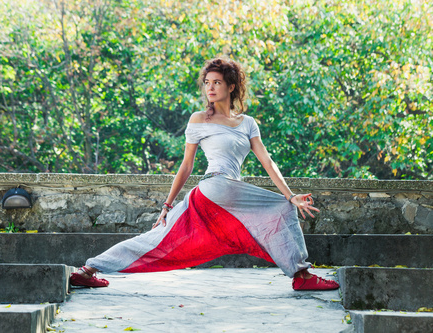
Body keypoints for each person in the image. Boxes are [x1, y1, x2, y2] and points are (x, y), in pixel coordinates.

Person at [70, 58, 339, 291]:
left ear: (231, 86)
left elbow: (267, 161)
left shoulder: (247, 123)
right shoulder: (199, 119)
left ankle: (87, 270)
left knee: (156, 240)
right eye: (207, 83)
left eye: (217, 82)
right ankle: (301, 275)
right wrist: (166, 205)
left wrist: (290, 195)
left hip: (221, 191)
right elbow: (186, 166)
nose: (210, 88)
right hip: (214, 187)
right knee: (282, 208)